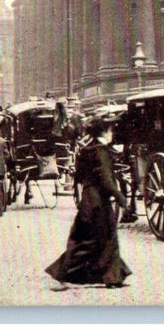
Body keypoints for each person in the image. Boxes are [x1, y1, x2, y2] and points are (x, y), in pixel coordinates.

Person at [46, 111, 132, 290]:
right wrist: (122, 199)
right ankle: (111, 276)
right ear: (105, 132)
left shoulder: (88, 149)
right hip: (99, 202)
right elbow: (107, 181)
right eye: (111, 130)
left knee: (85, 240)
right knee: (106, 239)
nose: (113, 133)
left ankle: (109, 275)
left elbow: (79, 177)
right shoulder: (102, 152)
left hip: (88, 200)